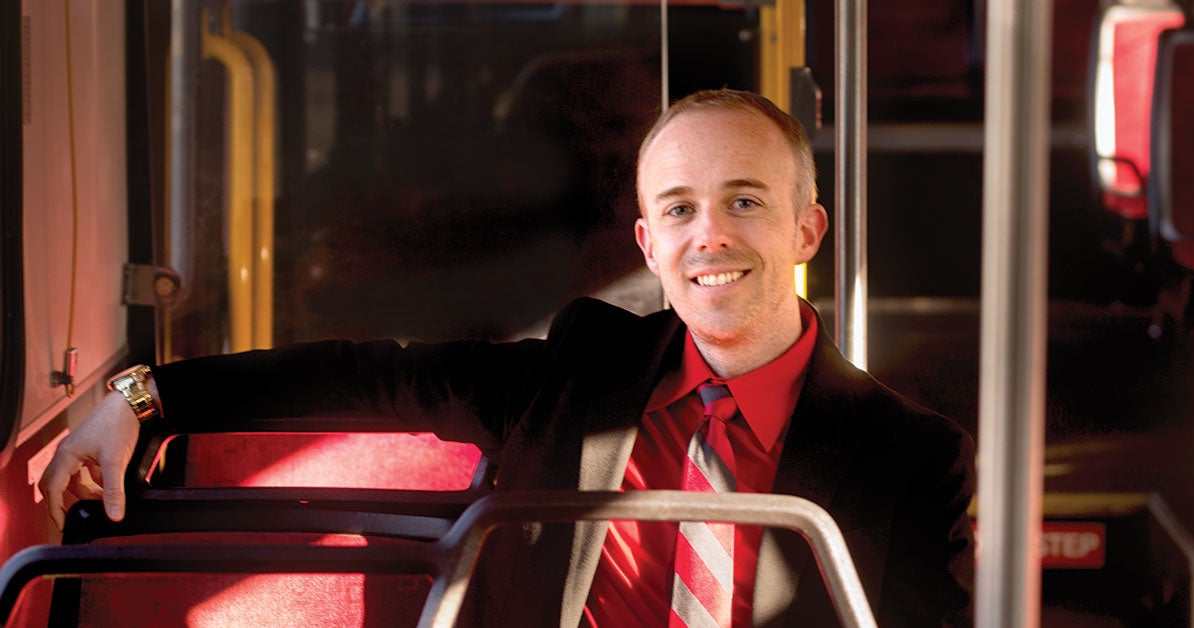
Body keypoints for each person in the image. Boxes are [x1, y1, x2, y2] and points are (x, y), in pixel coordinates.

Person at [40, 89, 975, 626]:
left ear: (807, 229)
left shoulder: (907, 455)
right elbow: (374, 376)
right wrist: (143, 398)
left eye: (745, 202)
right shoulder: (578, 372)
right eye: (680, 209)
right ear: (649, 247)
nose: (710, 237)